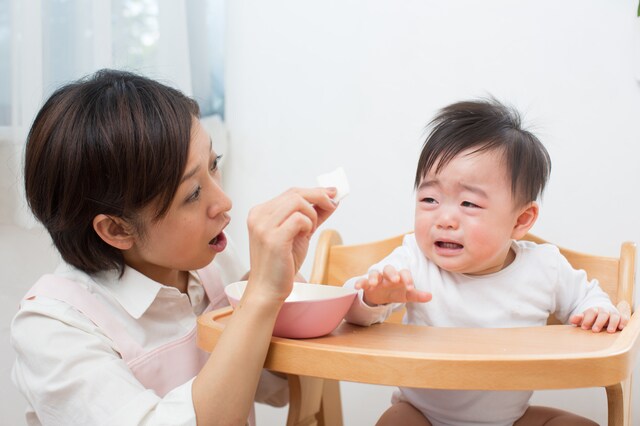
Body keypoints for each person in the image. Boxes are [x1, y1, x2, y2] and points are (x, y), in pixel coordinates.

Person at [10, 69, 338, 425]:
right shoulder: (53, 329)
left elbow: (271, 384)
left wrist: (277, 292)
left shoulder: (209, 265)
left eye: (214, 165)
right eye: (193, 194)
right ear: (117, 229)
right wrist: (259, 296)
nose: (224, 202)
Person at [343, 98, 628, 426]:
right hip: (423, 416)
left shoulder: (544, 268)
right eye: (429, 199)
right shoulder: (413, 261)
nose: (445, 218)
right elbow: (350, 308)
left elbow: (587, 297)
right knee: (395, 421)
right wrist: (373, 296)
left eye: (468, 203)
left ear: (521, 220)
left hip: (511, 420)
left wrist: (599, 310)